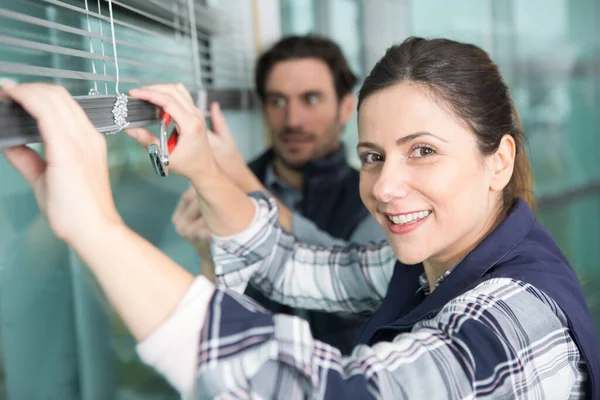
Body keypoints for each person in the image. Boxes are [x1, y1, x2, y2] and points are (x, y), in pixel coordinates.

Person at [3, 36, 599, 399]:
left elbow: (332, 394)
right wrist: (206, 168)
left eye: (424, 151)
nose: (386, 187)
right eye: (373, 157)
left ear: (499, 162)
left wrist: (97, 230)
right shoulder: (441, 258)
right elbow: (297, 264)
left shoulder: (518, 318)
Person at [171, 35, 386, 355]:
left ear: (345, 109)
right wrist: (208, 262)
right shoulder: (218, 190)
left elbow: (356, 289)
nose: (292, 120)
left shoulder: (377, 198)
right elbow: (196, 337)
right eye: (277, 101)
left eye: (310, 99)